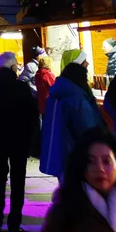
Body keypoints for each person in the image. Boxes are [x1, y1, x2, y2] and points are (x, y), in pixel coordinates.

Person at [0, 51, 37, 232]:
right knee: (18, 181)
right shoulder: (21, 88)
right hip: (19, 140)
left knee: (0, 179)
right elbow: (32, 115)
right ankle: (14, 224)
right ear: (13, 66)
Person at [39, 50, 105, 183]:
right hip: (75, 154)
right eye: (84, 64)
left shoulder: (57, 92)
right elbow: (87, 128)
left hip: (59, 153)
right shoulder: (76, 96)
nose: (87, 65)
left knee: (67, 192)